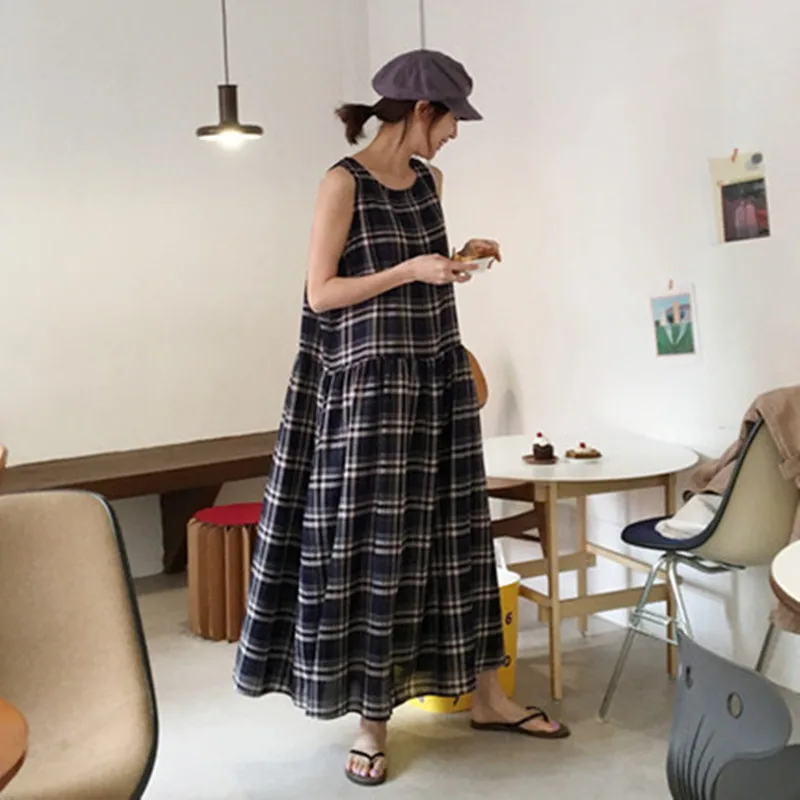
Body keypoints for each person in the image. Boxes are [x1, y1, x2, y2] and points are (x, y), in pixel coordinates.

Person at [233, 48, 569, 788]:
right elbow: (322, 293)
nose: (454, 135)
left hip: (435, 379)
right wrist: (413, 269)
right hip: (369, 395)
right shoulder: (341, 182)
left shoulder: (429, 182)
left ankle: (488, 698)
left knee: (458, 538)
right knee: (376, 552)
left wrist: (456, 258)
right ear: (421, 111)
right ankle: (372, 725)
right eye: (450, 120)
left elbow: (420, 270)